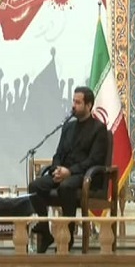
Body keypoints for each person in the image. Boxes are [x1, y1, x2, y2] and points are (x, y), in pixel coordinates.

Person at [28, 86, 108, 253]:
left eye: (78, 102)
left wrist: (69, 172)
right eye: (73, 101)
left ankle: (68, 235)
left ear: (88, 105)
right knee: (35, 186)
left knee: (66, 187)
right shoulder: (68, 127)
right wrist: (57, 169)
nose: (73, 105)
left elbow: (94, 160)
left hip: (83, 176)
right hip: (63, 173)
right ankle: (45, 230)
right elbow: (59, 153)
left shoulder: (98, 129)